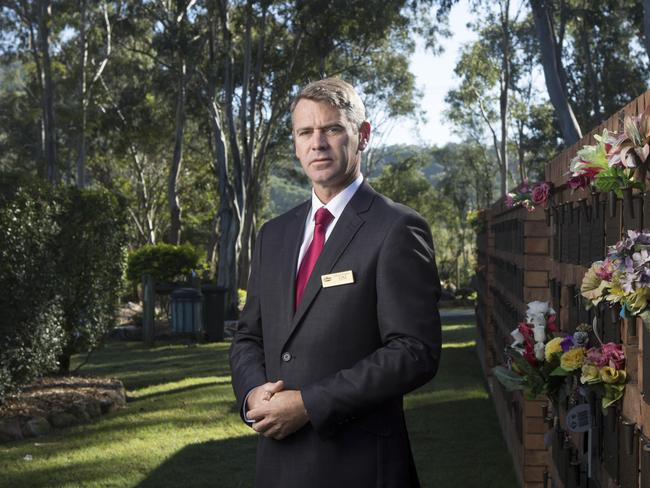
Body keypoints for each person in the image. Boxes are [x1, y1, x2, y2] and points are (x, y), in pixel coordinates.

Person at [230, 77, 442, 488]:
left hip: (359, 466)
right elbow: (247, 336)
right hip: (276, 465)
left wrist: (310, 403)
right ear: (294, 143)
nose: (317, 143)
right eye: (305, 132)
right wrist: (253, 394)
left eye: (331, 129)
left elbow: (415, 352)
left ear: (362, 135)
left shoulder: (397, 228)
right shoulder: (273, 235)